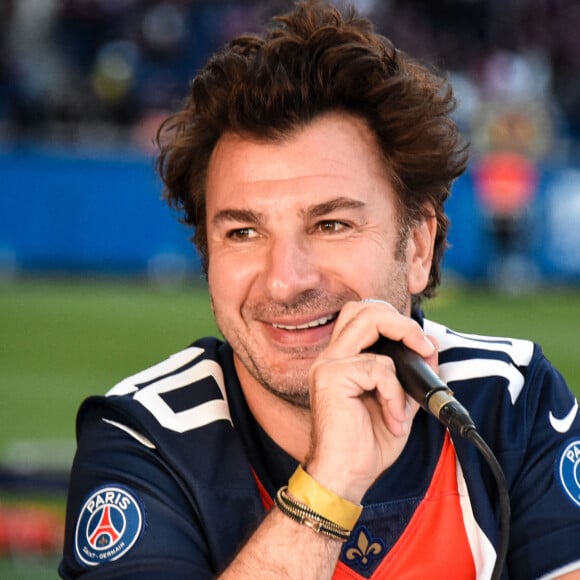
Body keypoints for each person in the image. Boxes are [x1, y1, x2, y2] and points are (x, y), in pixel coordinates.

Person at [59, 1, 580, 578]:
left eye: (331, 224)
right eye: (243, 231)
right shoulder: (145, 437)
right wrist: (328, 486)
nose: (285, 280)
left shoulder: (508, 401)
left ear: (417, 247)